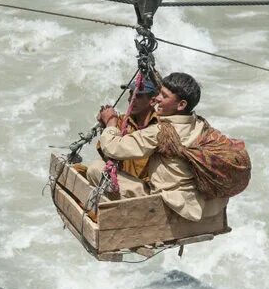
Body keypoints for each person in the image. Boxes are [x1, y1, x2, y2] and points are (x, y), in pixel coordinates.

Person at [85, 71, 226, 221]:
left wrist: (111, 123)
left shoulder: (161, 131)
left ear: (181, 105)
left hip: (171, 205)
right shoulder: (200, 124)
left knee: (95, 169)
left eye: (164, 96)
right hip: (203, 206)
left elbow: (112, 148)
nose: (158, 99)